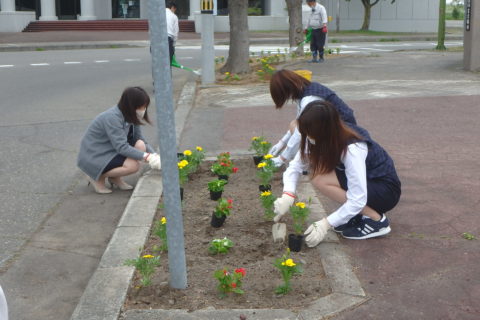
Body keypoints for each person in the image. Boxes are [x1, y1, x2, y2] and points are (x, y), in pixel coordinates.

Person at [273, 100, 401, 245]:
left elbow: (357, 198)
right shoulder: (316, 136)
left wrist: (326, 224)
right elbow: (296, 166)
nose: (308, 137)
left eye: (310, 133)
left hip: (385, 191)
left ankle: (377, 220)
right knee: (319, 171)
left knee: (320, 179)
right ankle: (357, 215)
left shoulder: (353, 147)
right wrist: (288, 195)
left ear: (324, 130)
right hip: (368, 183)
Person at [77, 87, 161, 194]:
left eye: (144, 106)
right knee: (133, 166)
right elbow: (121, 147)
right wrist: (148, 157)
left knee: (140, 145)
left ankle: (114, 178)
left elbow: (140, 139)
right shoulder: (112, 118)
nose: (143, 110)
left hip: (111, 150)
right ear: (132, 105)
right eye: (142, 106)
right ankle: (95, 176)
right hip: (96, 155)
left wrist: (155, 156)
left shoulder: (131, 115)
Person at [269, 69, 357, 168]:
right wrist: (281, 143)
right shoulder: (304, 90)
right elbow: (299, 120)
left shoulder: (310, 98)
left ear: (286, 89)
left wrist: (282, 158)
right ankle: (312, 157)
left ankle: (317, 159)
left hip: (343, 131)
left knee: (303, 131)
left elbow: (300, 132)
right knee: (294, 124)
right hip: (332, 126)